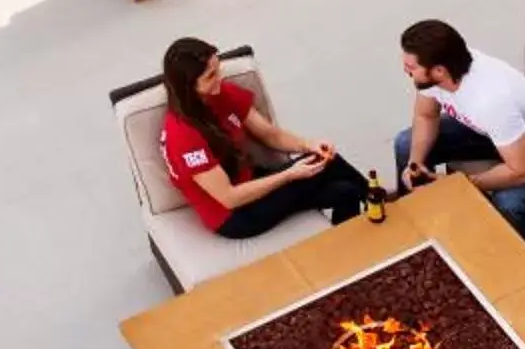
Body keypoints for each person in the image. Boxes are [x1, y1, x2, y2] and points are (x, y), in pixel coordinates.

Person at [156, 38, 368, 237]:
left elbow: (269, 134)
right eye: (210, 76)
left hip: (251, 179)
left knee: (342, 186)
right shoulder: (183, 136)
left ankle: (357, 243)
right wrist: (289, 175)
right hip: (235, 215)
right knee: (335, 169)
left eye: (218, 69)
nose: (219, 78)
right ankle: (382, 202)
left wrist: (308, 144)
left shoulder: (220, 94)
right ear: (188, 87)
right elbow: (229, 198)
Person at [393, 18, 525, 236]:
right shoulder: (440, 69)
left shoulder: (490, 101)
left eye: (411, 67)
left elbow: (521, 172)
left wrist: (458, 185)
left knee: (508, 203)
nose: (405, 70)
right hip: (488, 130)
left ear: (439, 71)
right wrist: (415, 163)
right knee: (405, 144)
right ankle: (416, 225)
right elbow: (426, 116)